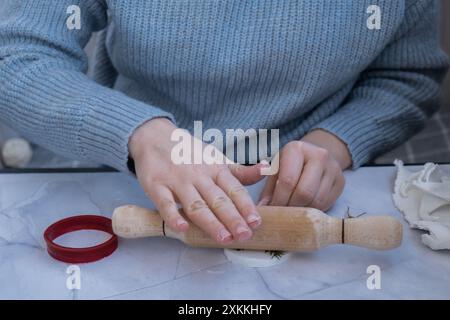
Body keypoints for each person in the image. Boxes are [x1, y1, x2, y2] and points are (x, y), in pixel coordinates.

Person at [0, 0, 447, 244]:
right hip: (128, 173)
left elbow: (408, 75)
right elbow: (16, 57)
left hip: (308, 200)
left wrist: (336, 142)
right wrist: (140, 134)